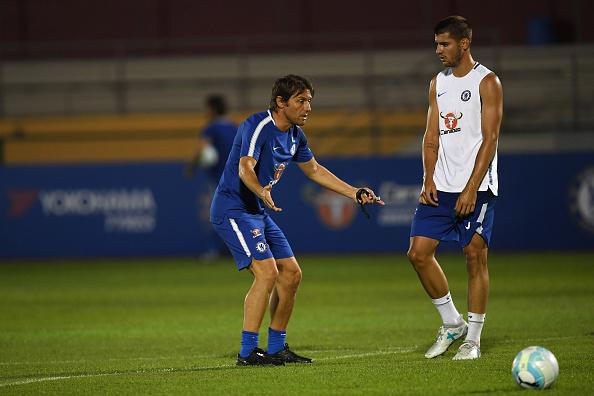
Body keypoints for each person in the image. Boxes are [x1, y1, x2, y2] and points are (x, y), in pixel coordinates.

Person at [210, 74, 384, 366]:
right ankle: (247, 352)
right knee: (267, 274)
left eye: (309, 101)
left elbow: (314, 170)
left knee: (291, 274)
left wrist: (354, 192)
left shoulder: (294, 135)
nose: (308, 108)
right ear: (281, 102)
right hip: (234, 209)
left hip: (258, 210)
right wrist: (260, 190)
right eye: (301, 101)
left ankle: (277, 347)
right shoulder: (258, 125)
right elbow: (244, 167)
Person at [407, 16, 503, 360]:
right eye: (436, 44)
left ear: (464, 43)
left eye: (444, 44)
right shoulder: (437, 83)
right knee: (418, 253)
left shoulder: (487, 81)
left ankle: (473, 339)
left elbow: (490, 139)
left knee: (474, 256)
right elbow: (430, 136)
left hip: (476, 188)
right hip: (441, 186)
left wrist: (471, 188)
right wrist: (427, 179)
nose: (438, 51)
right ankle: (452, 323)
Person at [186, 94, 237, 259]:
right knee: (234, 214)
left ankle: (213, 250)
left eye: (207, 108)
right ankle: (238, 250)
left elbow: (203, 149)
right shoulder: (235, 127)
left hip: (220, 179)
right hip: (238, 178)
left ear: (213, 109)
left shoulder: (211, 128)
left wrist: (191, 166)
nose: (205, 112)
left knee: (217, 214)